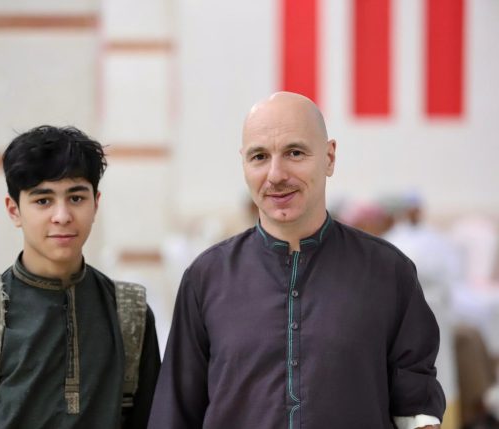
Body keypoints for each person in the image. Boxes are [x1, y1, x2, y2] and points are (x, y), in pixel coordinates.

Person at [147, 92, 445, 429]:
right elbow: (175, 412)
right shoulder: (207, 278)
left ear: (329, 158)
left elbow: (416, 408)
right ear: (244, 164)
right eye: (260, 156)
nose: (276, 174)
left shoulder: (388, 273)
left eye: (295, 153)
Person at [0, 125, 160, 428]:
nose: (62, 216)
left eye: (76, 198)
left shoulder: (129, 316)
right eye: (43, 201)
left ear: (96, 203)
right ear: (14, 210)